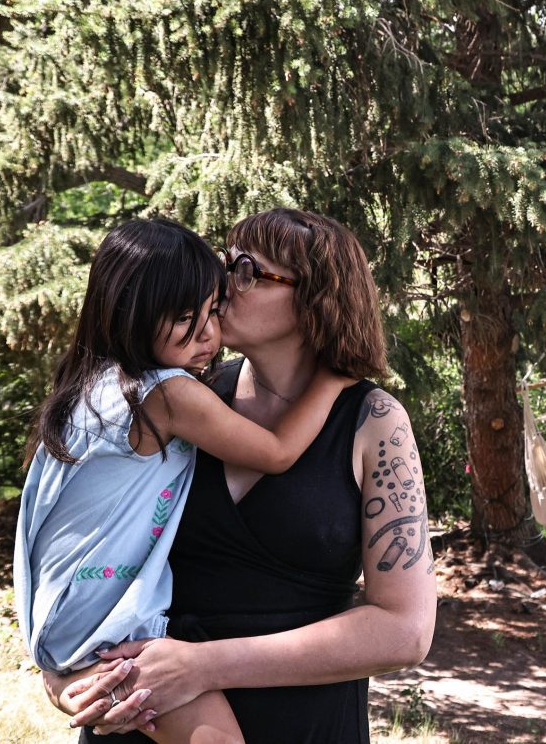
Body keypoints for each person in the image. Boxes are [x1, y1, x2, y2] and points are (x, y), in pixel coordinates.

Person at [40, 208, 437, 743]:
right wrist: (65, 671)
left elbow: (404, 631)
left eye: (248, 270)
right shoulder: (175, 399)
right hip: (148, 720)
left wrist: (205, 666)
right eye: (226, 262)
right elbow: (79, 536)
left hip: (302, 725)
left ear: (314, 299)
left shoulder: (375, 421)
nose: (221, 283)